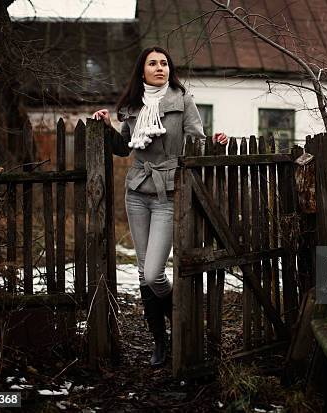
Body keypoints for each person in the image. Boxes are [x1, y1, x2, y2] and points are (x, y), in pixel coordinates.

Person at [93, 46, 228, 367]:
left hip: (169, 190)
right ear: (142, 71)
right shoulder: (131, 106)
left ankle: (178, 323)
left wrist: (215, 143)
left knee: (154, 272)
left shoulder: (182, 100)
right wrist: (107, 126)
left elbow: (196, 139)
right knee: (143, 273)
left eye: (164, 63)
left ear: (170, 69)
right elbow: (124, 149)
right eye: (152, 63)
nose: (159, 68)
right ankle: (161, 342)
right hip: (137, 191)